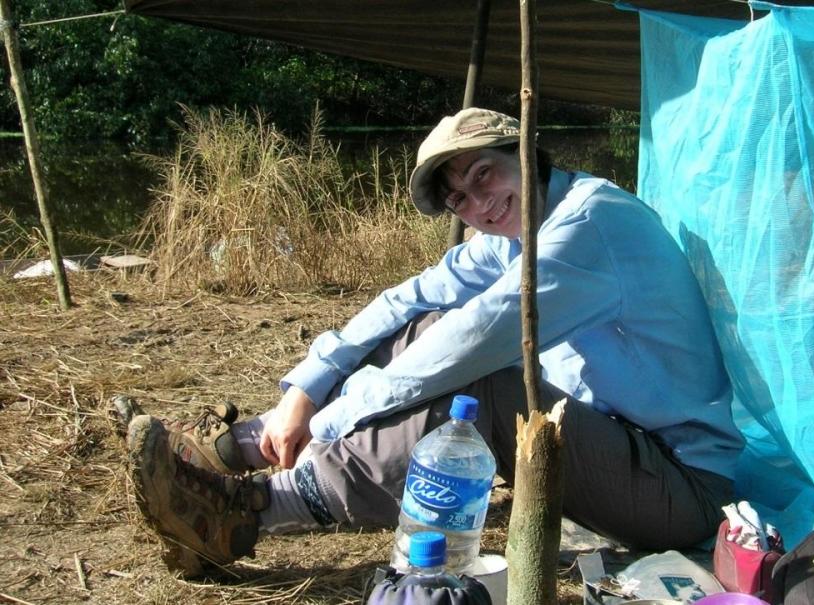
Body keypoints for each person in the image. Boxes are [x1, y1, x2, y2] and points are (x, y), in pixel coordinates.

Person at [127, 107, 744, 577]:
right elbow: (411, 299)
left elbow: (474, 340)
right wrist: (300, 395)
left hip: (678, 485)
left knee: (485, 381)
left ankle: (255, 508)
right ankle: (243, 448)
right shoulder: (513, 228)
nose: (479, 203)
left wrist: (332, 423)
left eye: (486, 174)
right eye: (459, 198)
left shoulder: (587, 222)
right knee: (422, 325)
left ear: (527, 152)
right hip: (612, 446)